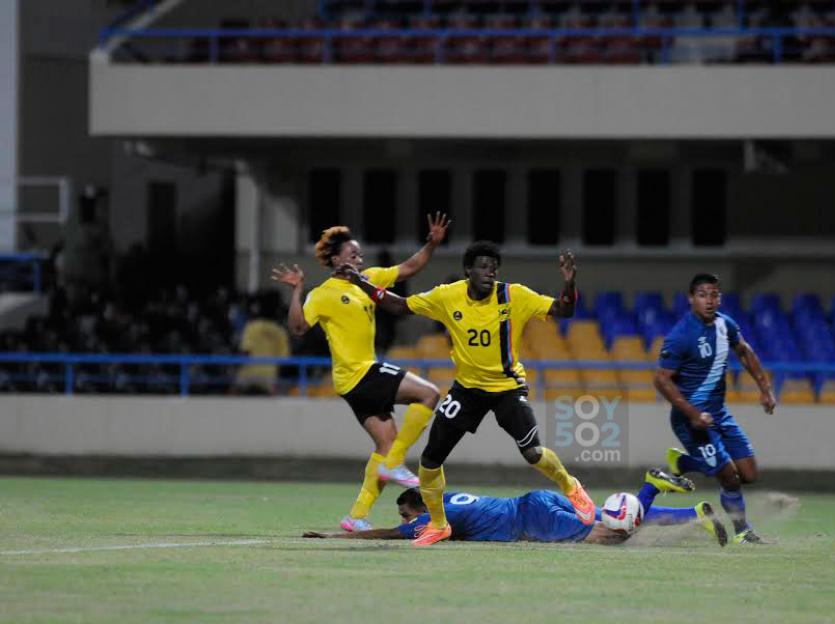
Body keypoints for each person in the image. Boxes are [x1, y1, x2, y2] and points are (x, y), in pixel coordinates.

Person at [337, 241, 594, 546]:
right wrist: (360, 281)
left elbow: (564, 309)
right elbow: (398, 305)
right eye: (483, 267)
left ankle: (571, 487)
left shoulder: (515, 295)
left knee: (533, 453)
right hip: (467, 390)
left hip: (506, 388)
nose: (490, 273)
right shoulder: (448, 296)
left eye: (493, 268)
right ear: (468, 270)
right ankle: (439, 524)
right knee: (430, 461)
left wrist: (569, 281)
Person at [271, 213, 451, 532]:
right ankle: (395, 463)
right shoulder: (323, 294)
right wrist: (298, 290)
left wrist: (431, 244)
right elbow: (298, 327)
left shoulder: (367, 279)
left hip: (355, 380)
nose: (358, 257)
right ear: (336, 258)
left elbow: (409, 268)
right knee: (429, 393)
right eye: (352, 253)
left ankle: (357, 516)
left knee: (385, 445)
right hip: (360, 373)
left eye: (359, 254)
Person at [653, 273, 777, 544]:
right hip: (690, 421)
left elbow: (744, 351)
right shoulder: (681, 335)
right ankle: (743, 532)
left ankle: (683, 462)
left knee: (749, 474)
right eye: (702, 295)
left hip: (719, 413)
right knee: (730, 477)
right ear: (691, 299)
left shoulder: (725, 325)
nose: (709, 301)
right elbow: (661, 380)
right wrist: (693, 414)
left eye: (714, 295)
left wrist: (765, 389)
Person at [302, 468, 727, 547]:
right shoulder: (445, 497)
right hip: (537, 502)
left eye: (407, 514)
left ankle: (648, 490)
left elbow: (391, 535)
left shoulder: (438, 516)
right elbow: (423, 483)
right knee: (607, 518)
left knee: (612, 535)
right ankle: (694, 516)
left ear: (417, 509)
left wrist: (340, 535)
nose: (407, 523)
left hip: (533, 518)